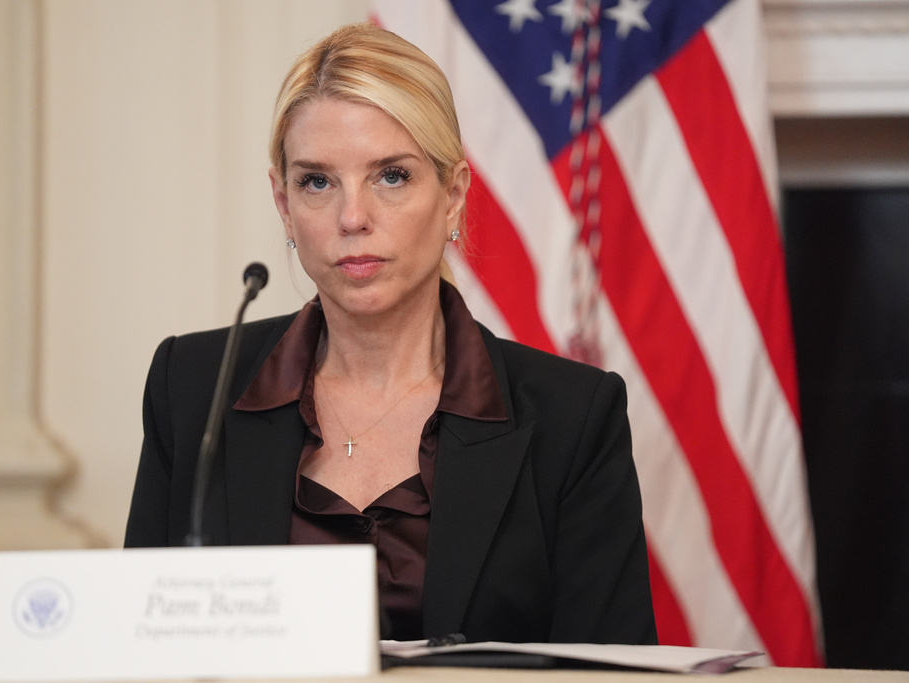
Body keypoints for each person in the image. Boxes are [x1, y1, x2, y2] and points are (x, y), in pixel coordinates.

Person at [125, 22, 656, 645]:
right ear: (282, 202)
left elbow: (611, 668)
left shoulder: (574, 415)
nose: (353, 217)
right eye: (317, 181)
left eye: (392, 176)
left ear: (453, 195)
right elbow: (141, 644)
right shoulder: (191, 387)